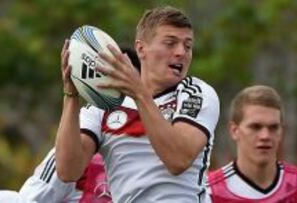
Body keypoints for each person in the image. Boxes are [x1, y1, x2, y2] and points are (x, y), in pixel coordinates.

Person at [56, 5, 220, 203]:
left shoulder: (197, 93)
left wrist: (139, 93)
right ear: (141, 49)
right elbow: (68, 171)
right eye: (170, 43)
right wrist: (71, 95)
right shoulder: (105, 104)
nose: (181, 52)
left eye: (187, 46)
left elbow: (178, 160)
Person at [206, 85, 297, 203]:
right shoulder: (209, 192)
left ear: (281, 131)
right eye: (255, 127)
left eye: (273, 127)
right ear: (234, 131)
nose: (265, 136)